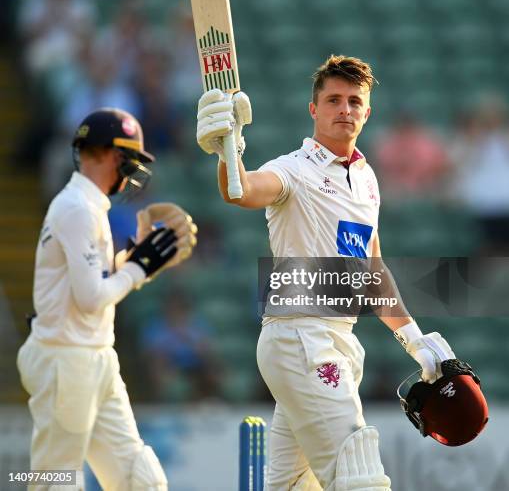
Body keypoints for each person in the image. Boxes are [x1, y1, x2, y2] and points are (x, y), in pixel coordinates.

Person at [196, 55, 457, 490]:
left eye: (355, 101)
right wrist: (228, 149)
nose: (345, 109)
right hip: (301, 338)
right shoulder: (294, 168)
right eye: (333, 100)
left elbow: (371, 270)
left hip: (337, 341)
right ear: (313, 109)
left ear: (367, 112)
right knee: (360, 474)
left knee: (294, 485)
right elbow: (240, 190)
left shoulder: (368, 179)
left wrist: (415, 338)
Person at [17, 107, 197, 491]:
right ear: (115, 156)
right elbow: (90, 298)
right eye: (131, 160)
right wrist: (138, 269)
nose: (132, 171)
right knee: (56, 480)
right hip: (66, 358)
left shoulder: (89, 207)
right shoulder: (76, 208)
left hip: (94, 355)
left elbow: (90, 281)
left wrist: (132, 260)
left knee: (139, 479)